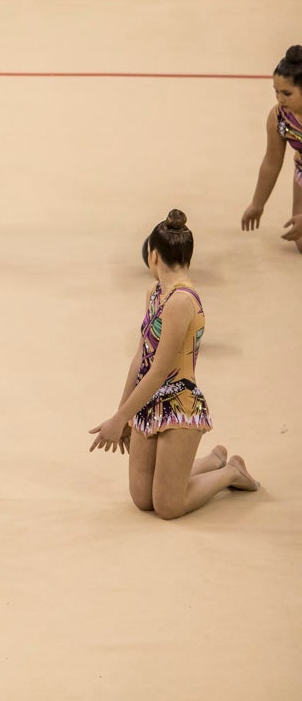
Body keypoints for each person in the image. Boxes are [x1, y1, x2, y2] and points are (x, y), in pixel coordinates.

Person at [89, 210, 258, 520]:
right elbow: (140, 357)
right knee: (143, 498)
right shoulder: (154, 293)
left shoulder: (182, 301)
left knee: (168, 505)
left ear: (153, 255)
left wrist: (120, 418)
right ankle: (212, 461)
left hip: (179, 405)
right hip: (148, 402)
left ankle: (230, 471)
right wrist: (122, 414)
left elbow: (160, 371)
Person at [241, 45, 302, 252]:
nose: (279, 98)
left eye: (287, 93)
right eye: (276, 91)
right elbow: (272, 162)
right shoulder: (279, 117)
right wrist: (257, 203)